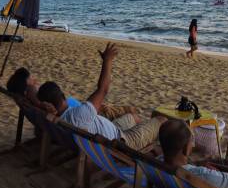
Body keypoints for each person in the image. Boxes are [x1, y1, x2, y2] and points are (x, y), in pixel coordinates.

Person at [37, 42, 167, 150]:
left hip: (113, 130)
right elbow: (103, 89)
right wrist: (107, 60)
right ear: (63, 95)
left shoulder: (56, 120)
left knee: (133, 117)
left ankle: (146, 134)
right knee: (162, 120)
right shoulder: (78, 115)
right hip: (121, 142)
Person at [6, 67, 136, 121]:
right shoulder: (36, 97)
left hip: (80, 109)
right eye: (31, 79)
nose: (34, 80)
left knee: (117, 109)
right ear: (26, 86)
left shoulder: (29, 101)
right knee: (129, 111)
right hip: (87, 114)